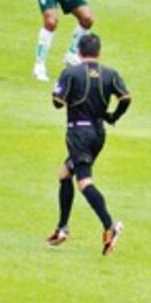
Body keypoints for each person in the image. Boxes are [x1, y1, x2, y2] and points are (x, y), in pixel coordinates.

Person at [46, 33, 130, 255]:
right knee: (65, 174)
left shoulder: (71, 72)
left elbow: (57, 102)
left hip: (78, 133)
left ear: (79, 52)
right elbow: (126, 98)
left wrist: (64, 91)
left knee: (84, 182)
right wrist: (113, 117)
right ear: (99, 52)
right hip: (98, 134)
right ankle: (62, 227)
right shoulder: (110, 74)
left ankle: (109, 226)